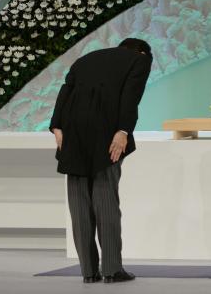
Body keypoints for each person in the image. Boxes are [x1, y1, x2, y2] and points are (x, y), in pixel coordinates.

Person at [49, 38, 153, 284]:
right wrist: (123, 131)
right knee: (105, 198)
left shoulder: (85, 59)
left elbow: (65, 91)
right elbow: (131, 96)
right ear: (140, 51)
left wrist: (56, 126)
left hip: (72, 130)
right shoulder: (139, 60)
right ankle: (111, 270)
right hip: (106, 131)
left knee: (79, 202)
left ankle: (88, 271)